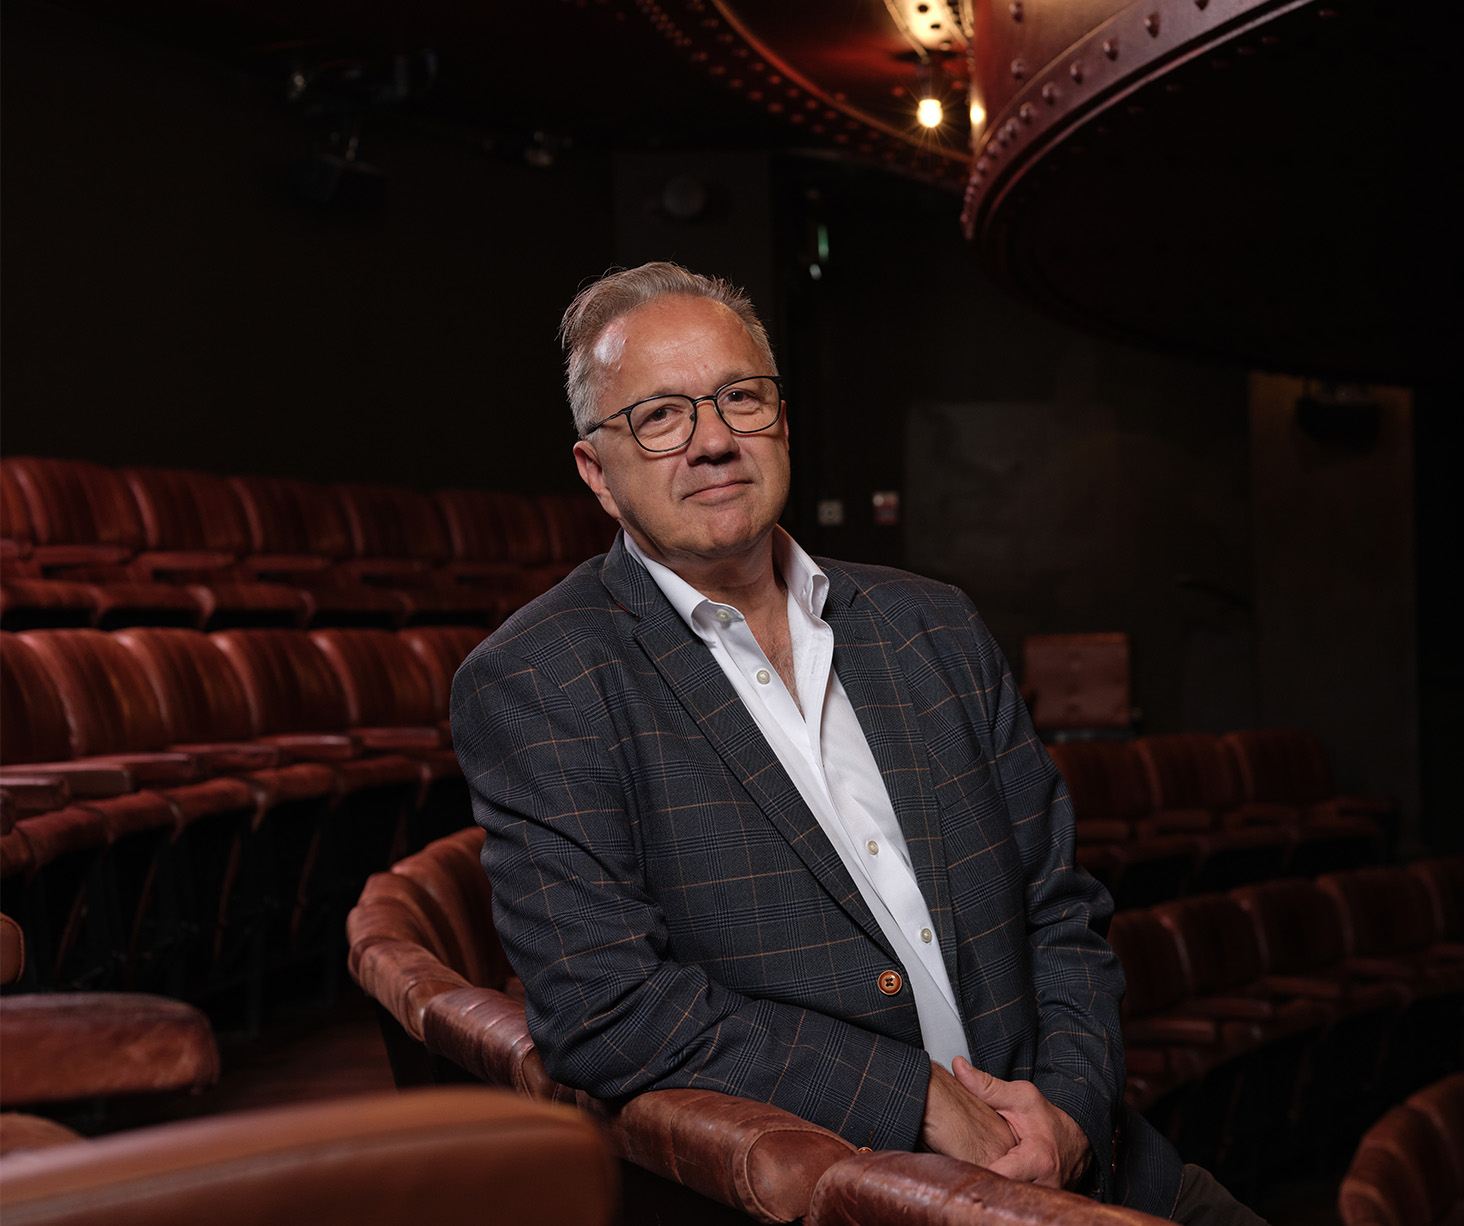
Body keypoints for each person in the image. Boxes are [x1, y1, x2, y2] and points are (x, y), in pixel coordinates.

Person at [450, 262, 1263, 1223]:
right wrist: (913, 1099)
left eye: (739, 398)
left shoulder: (935, 625)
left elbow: (1061, 909)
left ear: (780, 421)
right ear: (597, 471)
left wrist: (1071, 1118)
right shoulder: (540, 680)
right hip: (857, 1199)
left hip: (1095, 1173)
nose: (713, 441)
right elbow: (604, 1007)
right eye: (660, 417)